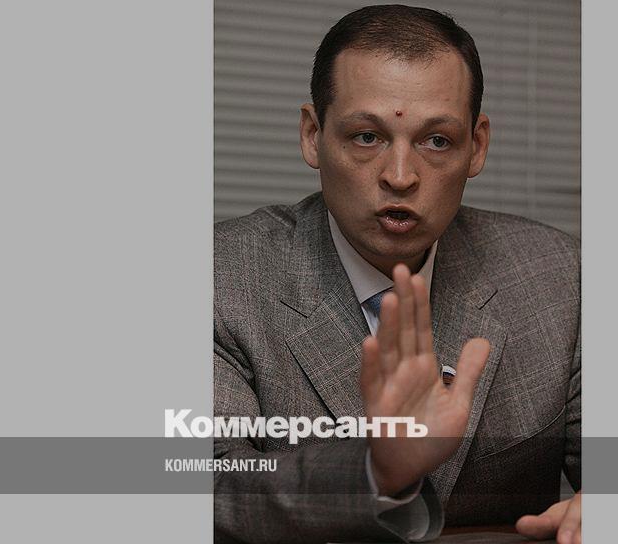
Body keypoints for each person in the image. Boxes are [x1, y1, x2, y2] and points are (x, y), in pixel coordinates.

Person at [214, 5, 580, 543]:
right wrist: (377, 471)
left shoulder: (561, 276)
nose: (401, 176)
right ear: (313, 135)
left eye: (437, 141)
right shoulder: (220, 277)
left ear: (476, 146)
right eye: (367, 136)